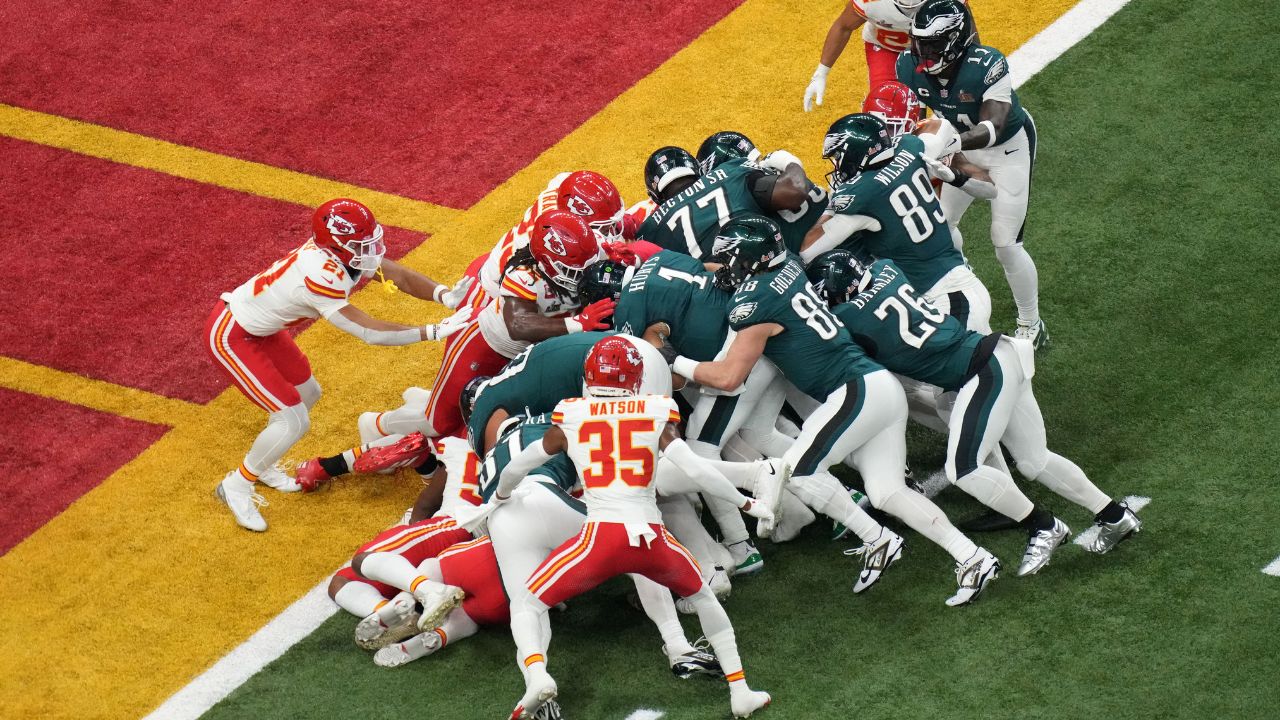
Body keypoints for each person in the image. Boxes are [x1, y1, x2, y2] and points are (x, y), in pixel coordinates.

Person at [672, 214, 1002, 605]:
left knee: (797, 470)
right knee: (886, 492)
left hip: (856, 389)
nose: (725, 267)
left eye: (730, 258)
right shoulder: (788, 266)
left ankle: (878, 538)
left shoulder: (753, 303)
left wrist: (673, 360)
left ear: (749, 259)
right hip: (876, 386)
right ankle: (972, 557)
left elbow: (728, 378)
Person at [807, 250, 1142, 574]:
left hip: (980, 373)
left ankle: (1042, 526)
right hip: (1001, 352)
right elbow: (878, 277)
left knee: (963, 469)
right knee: (1034, 460)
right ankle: (1114, 516)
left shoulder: (847, 319)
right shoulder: (887, 272)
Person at [492, 337, 773, 719]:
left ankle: (537, 675)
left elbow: (521, 463)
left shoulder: (572, 414)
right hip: (652, 539)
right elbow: (695, 468)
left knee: (527, 602)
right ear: (637, 376)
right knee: (705, 598)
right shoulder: (657, 410)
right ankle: (739, 689)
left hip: (601, 541)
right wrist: (747, 502)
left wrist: (502, 496)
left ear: (589, 376)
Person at [205, 198, 469, 531]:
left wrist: (444, 295)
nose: (371, 250)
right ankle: (237, 484)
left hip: (265, 329)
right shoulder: (321, 274)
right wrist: (431, 331)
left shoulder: (337, 255)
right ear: (336, 244)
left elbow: (395, 272)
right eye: (362, 244)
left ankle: (264, 462)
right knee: (292, 420)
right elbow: (368, 330)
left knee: (308, 393)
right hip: (233, 334)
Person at [897, 0, 1047, 346]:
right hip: (958, 147)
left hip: (1008, 147)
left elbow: (992, 126)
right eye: (919, 42)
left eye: (931, 44)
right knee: (940, 226)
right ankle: (963, 283)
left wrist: (948, 144)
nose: (922, 52)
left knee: (1006, 243)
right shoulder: (907, 65)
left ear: (955, 40)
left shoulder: (987, 63)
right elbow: (911, 118)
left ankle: (1032, 323)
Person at [803, 113, 993, 333]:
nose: (837, 165)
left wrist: (830, 208)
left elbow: (809, 251)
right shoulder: (911, 149)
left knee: (972, 363)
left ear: (855, 153)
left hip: (946, 297)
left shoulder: (862, 195)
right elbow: (941, 124)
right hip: (956, 283)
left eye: (838, 156)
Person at [636, 146, 816, 259]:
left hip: (722, 303)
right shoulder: (730, 172)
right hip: (778, 267)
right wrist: (787, 159)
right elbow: (794, 191)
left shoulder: (651, 229)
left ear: (655, 197)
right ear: (699, 170)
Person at [695, 131, 830, 254]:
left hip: (813, 252)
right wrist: (788, 160)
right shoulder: (779, 177)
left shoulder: (741, 198)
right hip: (830, 225)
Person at [802, 0, 944, 110]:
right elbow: (843, 27)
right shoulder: (870, 3)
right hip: (885, 48)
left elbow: (964, 31)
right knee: (884, 108)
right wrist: (821, 73)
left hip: (932, 50)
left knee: (951, 103)